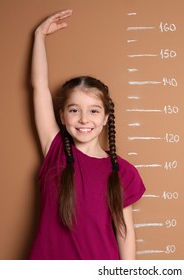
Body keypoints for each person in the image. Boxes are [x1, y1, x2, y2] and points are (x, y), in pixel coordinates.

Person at [28, 9, 146, 260]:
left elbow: (126, 235)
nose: (83, 119)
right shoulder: (55, 149)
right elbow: (39, 87)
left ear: (105, 119)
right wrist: (39, 36)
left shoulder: (123, 172)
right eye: (74, 110)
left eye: (93, 111)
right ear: (62, 117)